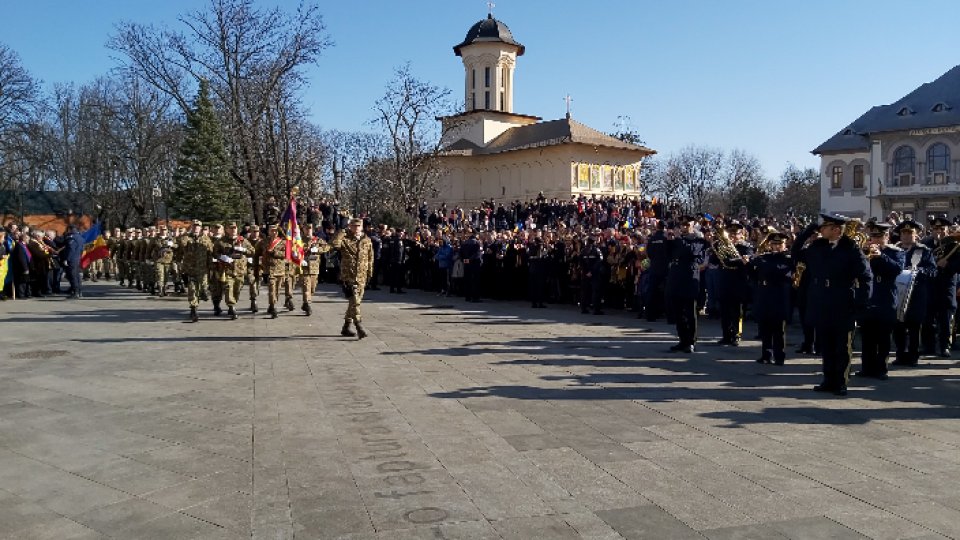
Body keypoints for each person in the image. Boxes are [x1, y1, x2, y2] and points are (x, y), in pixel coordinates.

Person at [793, 213, 872, 396]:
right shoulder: (818, 246)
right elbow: (796, 252)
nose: (821, 230)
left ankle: (841, 381)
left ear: (836, 230)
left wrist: (862, 303)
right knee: (826, 344)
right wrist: (807, 231)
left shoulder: (851, 248)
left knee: (842, 346)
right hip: (821, 299)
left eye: (825, 227)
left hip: (842, 300)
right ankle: (828, 380)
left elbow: (865, 277)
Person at [856, 221, 904, 380]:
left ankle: (881, 369)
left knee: (883, 338)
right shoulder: (863, 251)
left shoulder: (895, 252)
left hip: (886, 299)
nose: (875, 239)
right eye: (873, 235)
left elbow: (897, 269)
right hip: (868, 299)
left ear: (887, 236)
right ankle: (866, 368)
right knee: (867, 337)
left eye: (879, 236)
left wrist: (881, 256)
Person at [891, 219, 936, 367]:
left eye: (910, 232)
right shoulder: (894, 250)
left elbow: (933, 271)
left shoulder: (923, 251)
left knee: (914, 326)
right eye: (903, 232)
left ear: (916, 234)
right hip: (897, 293)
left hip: (915, 295)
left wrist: (918, 271)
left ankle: (913, 355)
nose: (906, 235)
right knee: (898, 327)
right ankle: (900, 354)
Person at [665, 217, 709, 353]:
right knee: (678, 312)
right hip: (676, 276)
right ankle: (682, 340)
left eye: (686, 224)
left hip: (689, 277)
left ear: (692, 225)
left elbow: (690, 252)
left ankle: (691, 341)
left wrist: (677, 239)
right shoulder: (678, 240)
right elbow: (668, 254)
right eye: (682, 224)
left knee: (690, 311)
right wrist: (668, 241)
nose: (683, 227)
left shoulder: (698, 240)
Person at [748, 232, 792, 364]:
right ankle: (766, 354)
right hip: (764, 293)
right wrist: (748, 265)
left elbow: (782, 274)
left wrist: (762, 263)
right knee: (765, 326)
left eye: (779, 244)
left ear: (784, 245)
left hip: (779, 295)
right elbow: (754, 275)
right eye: (774, 244)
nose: (776, 247)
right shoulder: (764, 257)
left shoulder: (787, 260)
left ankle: (779, 356)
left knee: (778, 329)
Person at [330, 218, 374, 339]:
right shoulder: (345, 239)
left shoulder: (367, 240)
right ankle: (359, 325)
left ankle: (346, 326)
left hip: (362, 276)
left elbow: (370, 258)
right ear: (349, 226)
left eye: (358, 226)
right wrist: (341, 232)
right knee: (355, 301)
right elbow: (334, 244)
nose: (356, 228)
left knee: (354, 302)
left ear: (362, 226)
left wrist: (370, 273)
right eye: (353, 226)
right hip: (349, 275)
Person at [713, 221, 754, 346]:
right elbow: (714, 260)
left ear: (741, 234)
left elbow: (745, 260)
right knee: (724, 310)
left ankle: (736, 334)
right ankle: (726, 335)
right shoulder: (722, 245)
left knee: (737, 310)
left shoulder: (745, 247)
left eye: (736, 233)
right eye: (730, 233)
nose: (732, 235)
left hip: (738, 281)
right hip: (724, 280)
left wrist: (730, 260)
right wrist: (716, 248)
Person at [216, 222, 255, 320]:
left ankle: (233, 303)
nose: (233, 230)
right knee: (229, 288)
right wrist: (221, 256)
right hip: (227, 270)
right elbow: (214, 253)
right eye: (231, 228)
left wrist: (244, 250)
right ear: (227, 230)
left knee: (237, 290)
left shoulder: (243, 240)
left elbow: (252, 251)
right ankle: (231, 306)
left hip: (240, 270)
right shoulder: (221, 241)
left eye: (235, 228)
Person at [179, 220, 214, 322]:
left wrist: (211, 266)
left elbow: (210, 253)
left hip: (203, 269)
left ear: (201, 227)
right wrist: (187, 233)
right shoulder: (187, 238)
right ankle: (194, 309)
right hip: (190, 269)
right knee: (192, 289)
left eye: (198, 226)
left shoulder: (206, 239)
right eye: (194, 226)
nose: (196, 228)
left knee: (203, 288)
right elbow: (182, 244)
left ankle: (203, 293)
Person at [299, 223, 330, 316]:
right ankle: (307, 304)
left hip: (314, 268)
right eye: (306, 228)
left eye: (310, 229)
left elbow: (327, 247)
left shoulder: (317, 240)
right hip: (303, 267)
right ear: (303, 229)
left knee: (312, 288)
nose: (308, 230)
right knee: (306, 287)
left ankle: (306, 303)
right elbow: (294, 250)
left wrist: (318, 249)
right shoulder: (299, 240)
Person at [263, 225, 288, 319]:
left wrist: (274, 253)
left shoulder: (283, 242)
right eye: (272, 231)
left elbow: (286, 254)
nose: (274, 232)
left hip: (280, 270)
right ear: (268, 231)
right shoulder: (264, 241)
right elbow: (257, 252)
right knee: (271, 289)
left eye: (275, 231)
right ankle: (273, 307)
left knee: (277, 290)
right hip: (269, 269)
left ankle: (272, 304)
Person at [61, 225, 84, 299]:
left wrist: (66, 259)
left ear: (70, 229)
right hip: (77, 258)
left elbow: (71, 250)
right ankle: (79, 292)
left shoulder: (72, 238)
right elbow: (81, 250)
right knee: (77, 276)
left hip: (72, 259)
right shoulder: (80, 238)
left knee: (72, 276)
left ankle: (75, 292)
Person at [460, 231, 482, 302]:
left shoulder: (464, 243)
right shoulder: (477, 243)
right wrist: (470, 259)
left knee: (467, 280)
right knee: (475, 280)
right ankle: (475, 297)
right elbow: (477, 254)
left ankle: (467, 297)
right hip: (475, 264)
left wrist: (465, 260)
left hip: (466, 264)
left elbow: (460, 254)